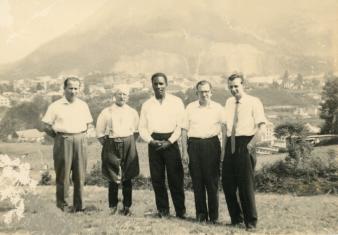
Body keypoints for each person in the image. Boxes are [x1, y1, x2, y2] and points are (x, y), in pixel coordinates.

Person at [222, 73, 266, 230]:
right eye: (231, 87)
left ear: (243, 85)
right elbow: (225, 127)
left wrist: (250, 145)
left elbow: (262, 127)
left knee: (245, 186)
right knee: (227, 184)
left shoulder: (254, 102)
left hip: (245, 143)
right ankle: (236, 218)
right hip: (230, 145)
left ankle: (251, 222)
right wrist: (223, 152)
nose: (233, 89)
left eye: (236, 86)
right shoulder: (228, 102)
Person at [42, 76, 93, 212]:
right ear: (64, 89)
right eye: (70, 88)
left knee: (80, 174)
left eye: (76, 88)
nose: (73, 91)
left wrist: (80, 136)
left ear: (79, 89)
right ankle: (62, 206)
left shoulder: (83, 105)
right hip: (63, 140)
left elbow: (88, 124)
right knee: (63, 175)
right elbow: (46, 126)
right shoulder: (55, 106)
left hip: (80, 140)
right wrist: (59, 137)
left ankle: (79, 206)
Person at [139, 72, 186, 218]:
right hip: (154, 143)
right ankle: (163, 211)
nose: (159, 86)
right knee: (157, 179)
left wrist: (170, 141)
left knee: (175, 179)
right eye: (156, 83)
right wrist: (151, 141)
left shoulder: (176, 102)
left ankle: (180, 212)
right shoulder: (147, 105)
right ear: (152, 85)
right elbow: (142, 128)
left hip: (171, 142)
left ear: (166, 84)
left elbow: (181, 125)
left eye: (161, 83)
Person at [182, 80, 226, 223]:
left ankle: (213, 217)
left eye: (207, 91)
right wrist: (184, 151)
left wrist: (224, 149)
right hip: (193, 146)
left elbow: (225, 130)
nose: (204, 94)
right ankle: (201, 215)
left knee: (212, 182)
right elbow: (184, 130)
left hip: (211, 145)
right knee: (197, 182)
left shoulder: (218, 108)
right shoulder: (190, 108)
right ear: (197, 93)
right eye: (201, 91)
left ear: (211, 92)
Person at [96, 85, 140, 216]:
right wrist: (109, 144)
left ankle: (127, 207)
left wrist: (128, 142)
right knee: (112, 177)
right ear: (114, 96)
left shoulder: (132, 112)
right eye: (119, 94)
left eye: (125, 94)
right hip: (111, 143)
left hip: (129, 142)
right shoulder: (107, 111)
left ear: (128, 97)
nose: (122, 97)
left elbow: (136, 132)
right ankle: (113, 207)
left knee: (128, 176)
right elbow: (99, 132)